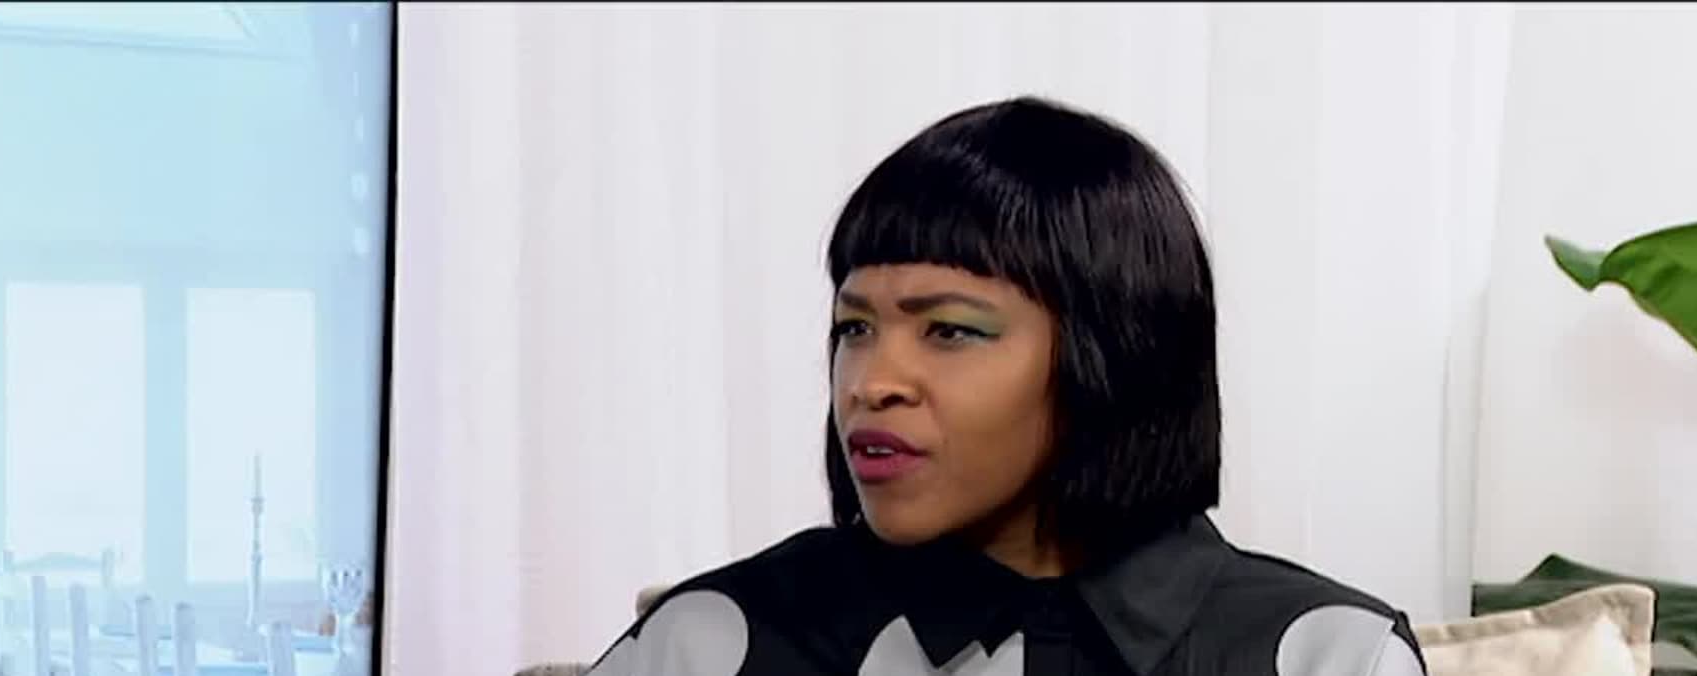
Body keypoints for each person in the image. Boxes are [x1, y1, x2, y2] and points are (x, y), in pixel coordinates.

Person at [583, 97, 1426, 676]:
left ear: (1111, 353)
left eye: (949, 330)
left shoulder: (1328, 655)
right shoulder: (712, 643)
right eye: (854, 328)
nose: (872, 383)